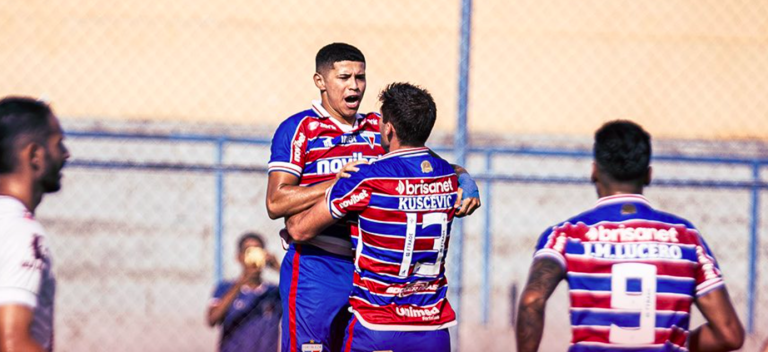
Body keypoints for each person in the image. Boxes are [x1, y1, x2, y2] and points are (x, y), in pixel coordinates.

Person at [266, 43, 480, 352]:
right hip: (318, 266)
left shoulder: (377, 129)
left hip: (368, 274)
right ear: (320, 81)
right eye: (344, 77)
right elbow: (275, 203)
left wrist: (464, 177)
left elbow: (425, 164)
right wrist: (336, 183)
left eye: (360, 77)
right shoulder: (299, 129)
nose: (354, 85)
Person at [516, 120, 745, 352]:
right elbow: (729, 334)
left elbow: (532, 300)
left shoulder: (567, 236)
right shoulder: (686, 238)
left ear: (594, 170)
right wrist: (678, 345)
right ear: (648, 175)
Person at [286, 83, 458, 352]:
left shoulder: (368, 177)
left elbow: (299, 230)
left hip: (379, 325)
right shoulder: (449, 177)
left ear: (388, 128)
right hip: (433, 328)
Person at [0, 97, 70, 352]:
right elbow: (12, 343)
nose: (66, 154)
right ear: (35, 156)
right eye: (58, 144)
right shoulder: (22, 233)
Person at [208, 232, 281, 352]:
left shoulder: (274, 292)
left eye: (258, 251)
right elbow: (212, 319)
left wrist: (279, 268)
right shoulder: (225, 288)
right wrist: (242, 282)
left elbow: (303, 297)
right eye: (248, 251)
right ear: (239, 257)